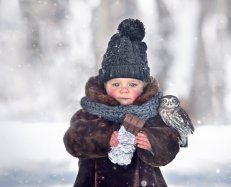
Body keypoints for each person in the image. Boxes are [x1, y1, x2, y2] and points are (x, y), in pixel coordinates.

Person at [63, 18, 188, 187]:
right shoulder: (91, 112)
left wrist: (152, 141)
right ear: (104, 85)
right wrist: (104, 137)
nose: (124, 90)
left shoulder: (152, 114)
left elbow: (170, 143)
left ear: (143, 87)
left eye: (132, 84)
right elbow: (73, 140)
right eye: (116, 84)